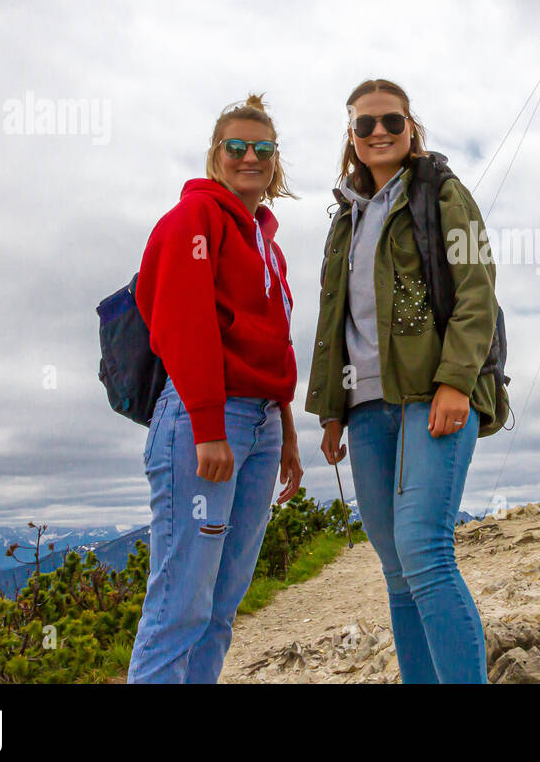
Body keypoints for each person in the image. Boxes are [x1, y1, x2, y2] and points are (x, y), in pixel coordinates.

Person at [306, 78, 500, 684]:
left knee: (425, 551)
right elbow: (334, 320)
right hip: (365, 408)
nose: (379, 132)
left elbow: (477, 292)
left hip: (432, 395)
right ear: (352, 137)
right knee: (395, 568)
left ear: (411, 127)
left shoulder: (443, 193)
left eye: (391, 121)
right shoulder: (345, 219)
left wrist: (456, 382)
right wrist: (331, 409)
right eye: (365, 125)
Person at [128, 93, 303, 684]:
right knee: (181, 607)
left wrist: (288, 437)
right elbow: (183, 321)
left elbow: (273, 345)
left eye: (263, 148)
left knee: (221, 608)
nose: (249, 156)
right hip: (207, 421)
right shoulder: (192, 220)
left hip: (259, 425)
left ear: (275, 160)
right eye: (237, 146)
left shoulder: (268, 246)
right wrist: (206, 425)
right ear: (215, 155)